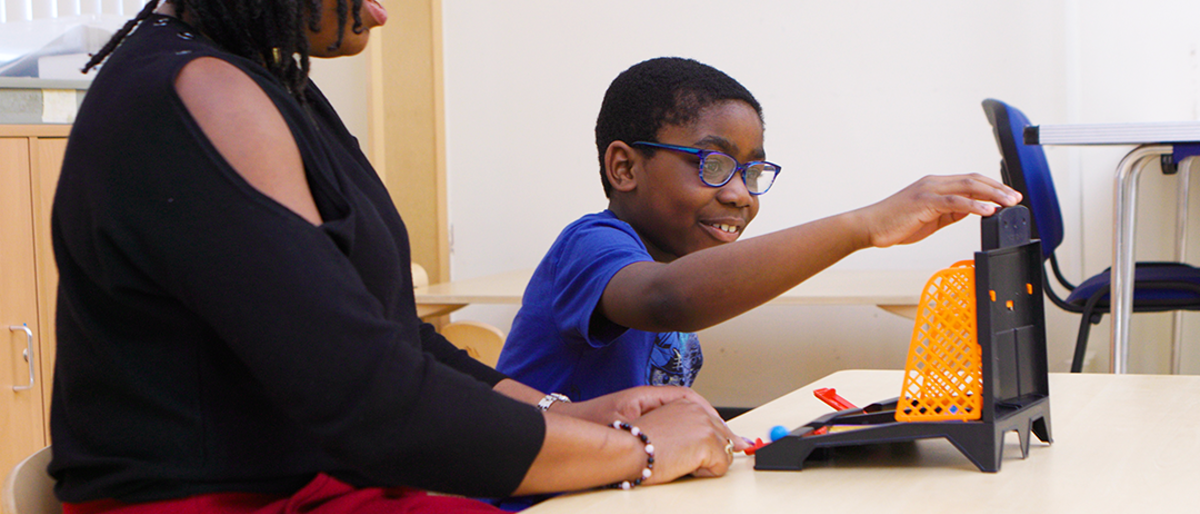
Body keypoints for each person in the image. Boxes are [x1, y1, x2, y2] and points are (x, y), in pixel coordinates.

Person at [47, 2, 748, 513]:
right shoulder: (205, 92)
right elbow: (368, 399)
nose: (380, 13)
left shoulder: (259, 84)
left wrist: (575, 414)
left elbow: (391, 339)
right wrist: (640, 453)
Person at [495, 57, 1021, 403]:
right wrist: (864, 225)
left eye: (751, 172)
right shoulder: (592, 244)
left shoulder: (678, 262)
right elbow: (666, 300)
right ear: (625, 169)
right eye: (713, 164)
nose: (740, 194)